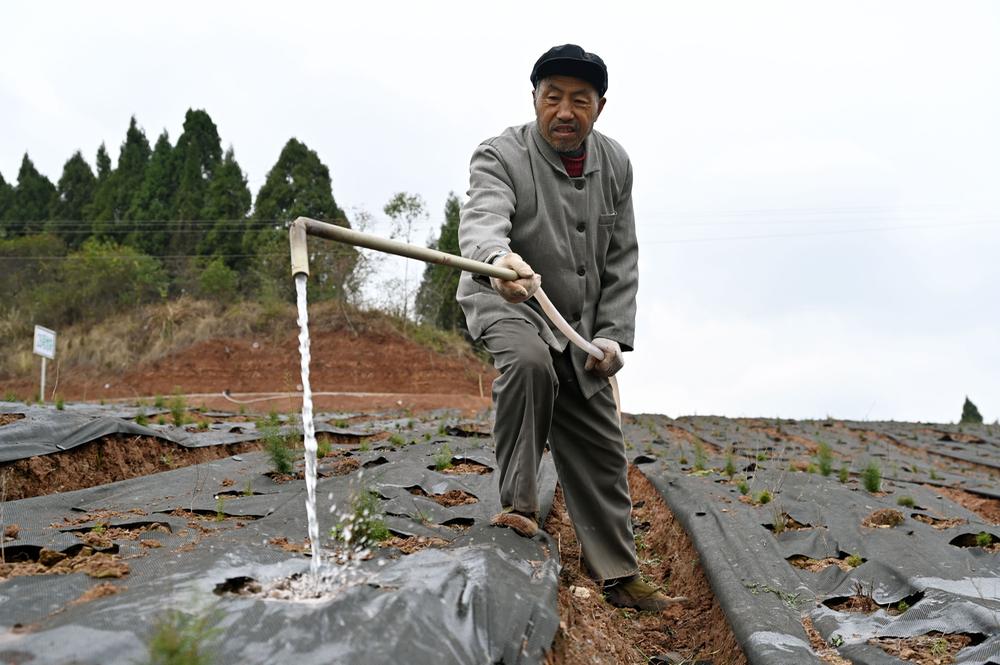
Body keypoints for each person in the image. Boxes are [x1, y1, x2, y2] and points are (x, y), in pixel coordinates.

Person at [457, 44, 681, 611]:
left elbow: (621, 256)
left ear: (600, 107)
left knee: (599, 434)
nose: (564, 111)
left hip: (578, 322)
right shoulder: (500, 154)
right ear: (534, 98)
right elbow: (482, 223)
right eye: (552, 97)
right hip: (508, 299)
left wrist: (611, 335)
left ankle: (619, 574)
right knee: (531, 365)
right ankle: (518, 510)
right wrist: (496, 261)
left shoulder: (616, 163)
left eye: (579, 101)